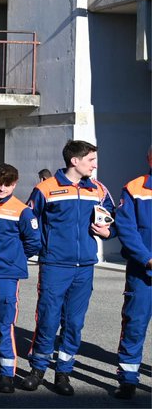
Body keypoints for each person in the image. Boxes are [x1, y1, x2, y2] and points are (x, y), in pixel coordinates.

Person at [19, 140, 116, 395]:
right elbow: (30, 224)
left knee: (74, 322)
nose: (95, 165)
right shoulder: (45, 189)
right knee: (48, 319)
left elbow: (114, 219)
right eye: (91, 160)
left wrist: (108, 232)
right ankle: (38, 369)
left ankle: (63, 372)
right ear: (75, 160)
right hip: (54, 266)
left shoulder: (98, 189)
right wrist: (42, 250)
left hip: (84, 267)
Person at [0, 162, 41, 394]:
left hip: (6, 277)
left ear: (14, 185)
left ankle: (6, 374)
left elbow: (34, 241)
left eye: (7, 185)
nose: (1, 189)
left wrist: (14, 259)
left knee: (4, 326)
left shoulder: (22, 210)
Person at [114, 146, 152, 400]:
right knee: (134, 324)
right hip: (143, 272)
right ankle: (128, 379)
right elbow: (126, 228)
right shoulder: (135, 188)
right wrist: (147, 259)